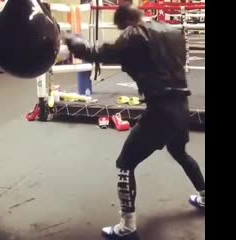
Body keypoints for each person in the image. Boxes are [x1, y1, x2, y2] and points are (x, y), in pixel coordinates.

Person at [64, 3, 205, 240]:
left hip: (160, 110)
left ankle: (127, 226)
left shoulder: (133, 34)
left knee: (125, 162)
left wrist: (70, 39)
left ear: (125, 23)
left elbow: (97, 52)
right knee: (179, 151)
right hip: (181, 106)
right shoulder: (170, 30)